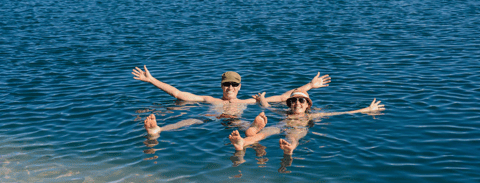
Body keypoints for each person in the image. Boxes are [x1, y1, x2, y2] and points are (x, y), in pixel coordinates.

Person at [133, 66, 331, 134]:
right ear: (221, 86)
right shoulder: (209, 99)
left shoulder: (248, 102)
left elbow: (283, 97)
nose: (230, 88)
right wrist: (151, 79)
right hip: (212, 117)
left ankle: (253, 134)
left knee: (247, 125)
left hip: (236, 120)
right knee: (195, 119)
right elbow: (178, 94)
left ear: (239, 87)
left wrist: (309, 86)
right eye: (227, 84)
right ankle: (158, 130)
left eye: (234, 85)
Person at [228, 89, 385, 156]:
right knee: (262, 134)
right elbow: (268, 108)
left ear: (307, 104)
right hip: (282, 125)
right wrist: (262, 100)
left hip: (299, 127)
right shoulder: (285, 112)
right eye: (294, 101)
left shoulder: (312, 116)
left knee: (294, 137)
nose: (297, 103)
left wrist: (367, 109)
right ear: (290, 104)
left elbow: (341, 112)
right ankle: (242, 142)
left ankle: (290, 149)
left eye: (301, 100)